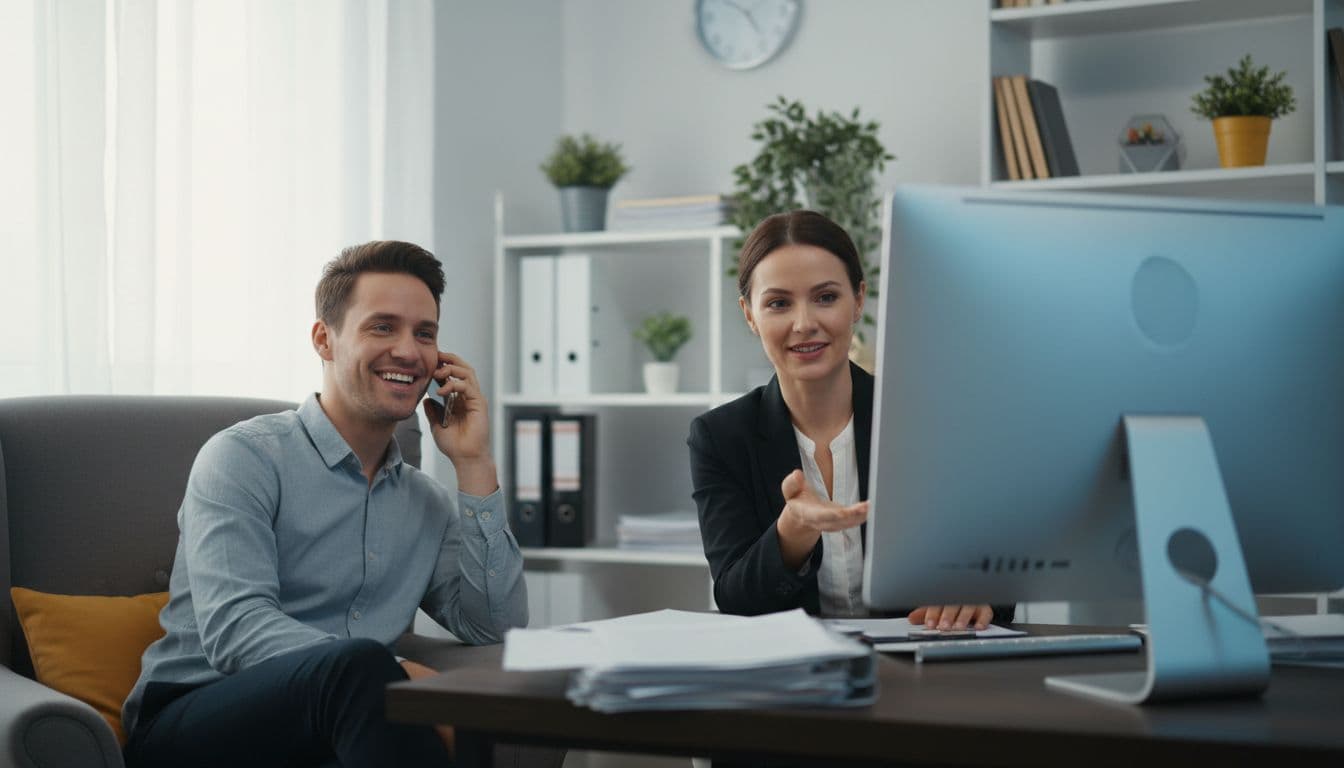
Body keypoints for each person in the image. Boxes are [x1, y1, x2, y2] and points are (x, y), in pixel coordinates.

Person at [122, 240, 528, 767]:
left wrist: (473, 463)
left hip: (350, 722)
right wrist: (391, 670)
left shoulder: (426, 501)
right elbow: (235, 629)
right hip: (194, 717)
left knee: (382, 695)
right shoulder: (243, 458)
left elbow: (493, 628)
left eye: (424, 334)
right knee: (364, 670)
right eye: (382, 327)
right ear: (324, 339)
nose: (408, 351)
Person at [688, 210, 1012, 628]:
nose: (804, 324)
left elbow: (1000, 567)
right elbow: (735, 600)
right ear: (750, 314)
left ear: (858, 300)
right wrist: (792, 532)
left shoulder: (930, 418)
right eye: (779, 303)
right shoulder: (720, 437)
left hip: (922, 652)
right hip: (796, 663)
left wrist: (976, 593)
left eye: (825, 297)